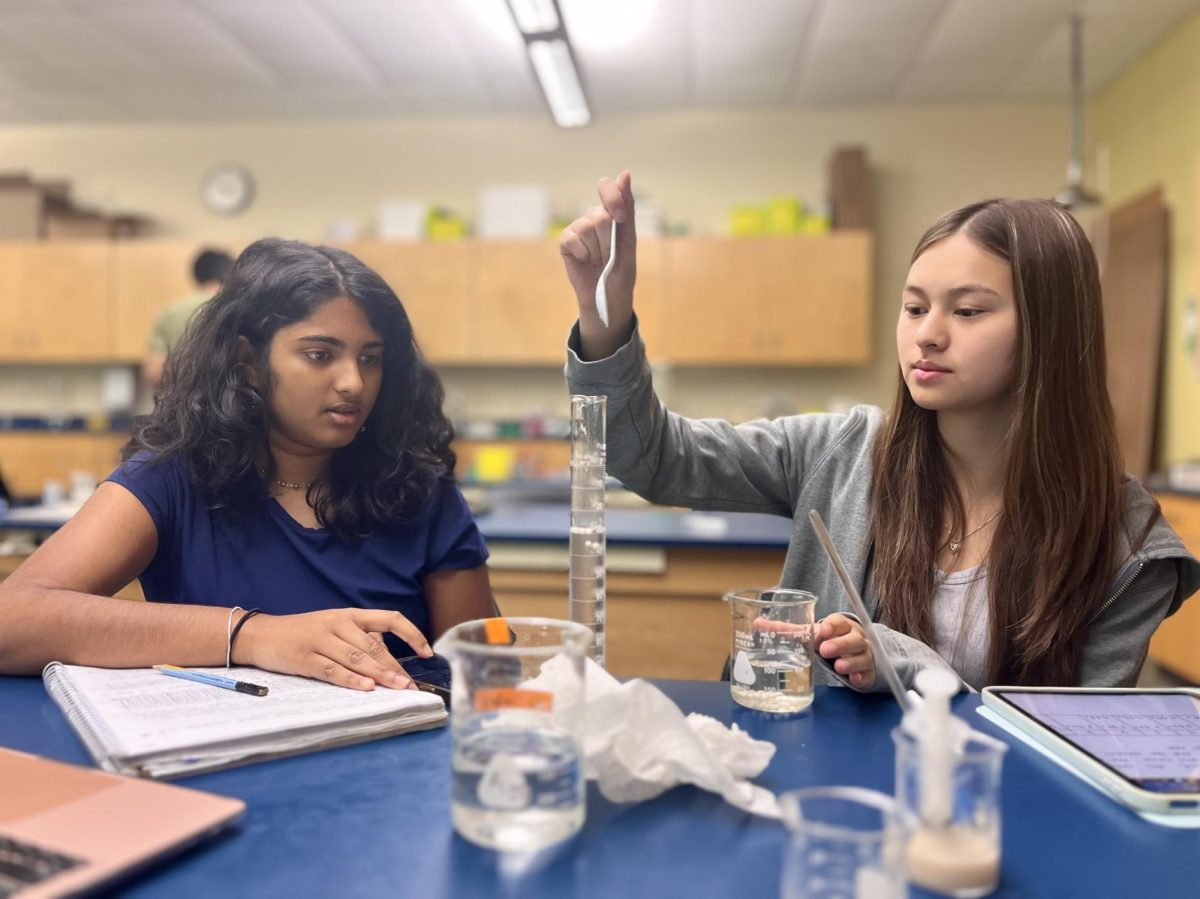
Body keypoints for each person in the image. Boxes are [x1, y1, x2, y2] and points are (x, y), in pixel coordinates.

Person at [559, 172, 1200, 691]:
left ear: (1050, 332)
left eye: (968, 310)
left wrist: (908, 661)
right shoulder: (845, 453)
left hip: (989, 829)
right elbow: (658, 461)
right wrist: (604, 322)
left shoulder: (1125, 541)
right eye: (915, 307)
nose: (927, 333)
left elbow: (1078, 757)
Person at [0, 238, 494, 691]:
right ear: (249, 361)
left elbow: (487, 667)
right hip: (222, 775)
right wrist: (253, 635)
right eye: (320, 355)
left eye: (370, 358)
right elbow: (12, 619)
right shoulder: (172, 480)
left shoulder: (419, 487)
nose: (353, 383)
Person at [143, 248, 234, 388]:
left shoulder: (169, 312)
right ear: (230, 275)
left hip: (180, 404)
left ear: (197, 274)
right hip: (227, 405)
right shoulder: (235, 310)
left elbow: (155, 373)